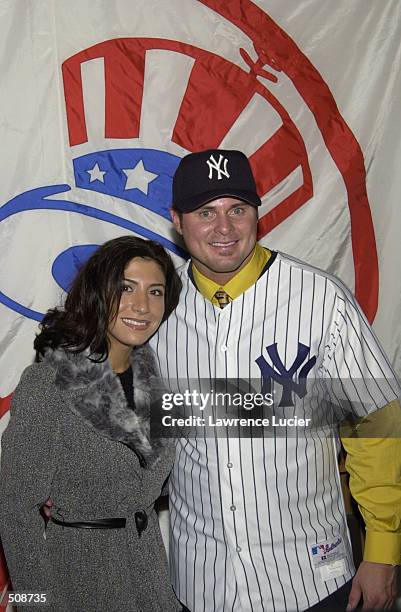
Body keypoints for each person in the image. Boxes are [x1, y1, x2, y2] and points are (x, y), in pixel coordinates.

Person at [150, 149, 401, 611]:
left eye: (237, 210)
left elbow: (376, 428)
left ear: (257, 215)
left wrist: (383, 550)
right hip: (201, 581)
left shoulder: (321, 299)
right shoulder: (154, 310)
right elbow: (136, 430)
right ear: (177, 220)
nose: (223, 229)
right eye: (206, 212)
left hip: (312, 578)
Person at [0, 236, 182, 611]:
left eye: (156, 291)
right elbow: (15, 513)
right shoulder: (48, 382)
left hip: (151, 577)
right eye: (126, 288)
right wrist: (34, 605)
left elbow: (147, 481)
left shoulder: (158, 377)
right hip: (76, 582)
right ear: (99, 291)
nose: (142, 305)